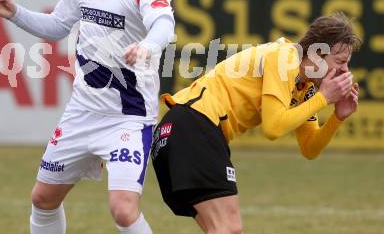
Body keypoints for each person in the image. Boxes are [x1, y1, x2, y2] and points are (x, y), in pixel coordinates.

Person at [0, 0, 174, 234]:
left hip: (128, 119)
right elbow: (57, 26)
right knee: (43, 199)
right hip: (81, 114)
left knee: (123, 210)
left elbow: (164, 24)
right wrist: (15, 12)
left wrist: (147, 45)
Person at [151, 13, 361, 234]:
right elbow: (273, 128)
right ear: (318, 54)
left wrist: (337, 117)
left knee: (223, 230)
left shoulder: (305, 87)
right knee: (229, 229)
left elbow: (309, 147)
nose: (345, 71)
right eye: (340, 62)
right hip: (193, 125)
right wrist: (324, 98)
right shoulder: (285, 59)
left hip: (180, 129)